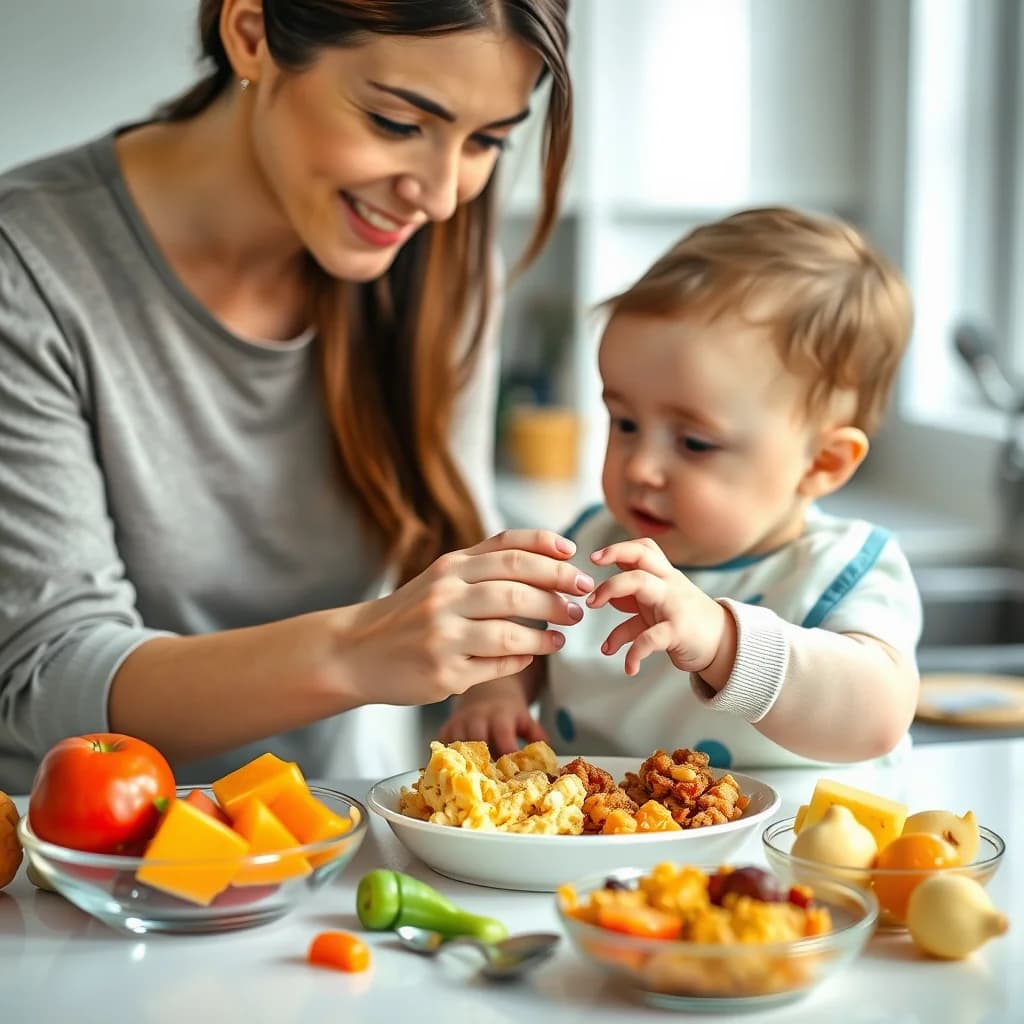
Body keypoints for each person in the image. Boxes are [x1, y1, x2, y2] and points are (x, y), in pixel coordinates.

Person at [0, 0, 594, 793]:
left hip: (325, 846)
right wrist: (356, 650)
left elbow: (441, 526)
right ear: (250, 35)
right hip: (67, 871)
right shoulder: (28, 266)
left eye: (486, 140)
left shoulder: (443, 259)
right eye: (395, 121)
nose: (443, 194)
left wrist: (496, 672)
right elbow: (48, 679)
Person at [441, 206, 922, 769]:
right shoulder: (593, 544)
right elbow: (530, 638)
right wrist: (497, 692)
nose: (641, 466)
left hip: (785, 852)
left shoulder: (844, 570)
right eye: (624, 423)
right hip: (603, 847)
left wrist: (725, 642)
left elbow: (879, 716)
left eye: (693, 443)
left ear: (823, 462)